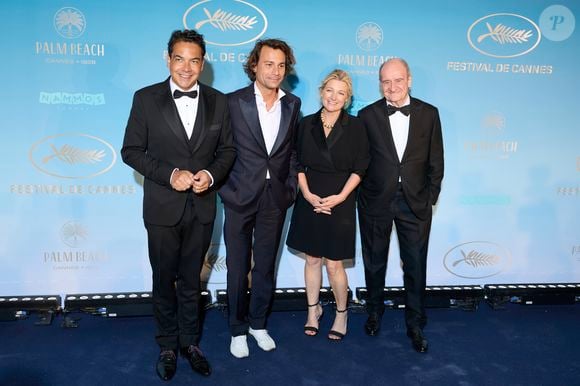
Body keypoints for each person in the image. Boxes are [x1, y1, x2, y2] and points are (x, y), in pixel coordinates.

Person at [121, 29, 235, 380]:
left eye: (194, 60)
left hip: (202, 207)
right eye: (179, 59)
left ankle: (190, 342)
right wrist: (169, 174)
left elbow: (228, 151)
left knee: (192, 280)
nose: (187, 67)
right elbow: (131, 151)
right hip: (162, 207)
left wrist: (210, 175)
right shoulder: (145, 99)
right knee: (163, 279)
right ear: (168, 58)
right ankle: (167, 344)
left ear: (203, 63)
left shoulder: (220, 101)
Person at [219, 39, 301, 358]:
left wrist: (290, 187)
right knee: (238, 267)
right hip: (239, 195)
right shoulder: (233, 102)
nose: (275, 71)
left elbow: (292, 151)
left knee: (266, 266)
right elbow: (221, 150)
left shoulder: (292, 104)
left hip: (275, 198)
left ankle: (258, 324)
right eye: (268, 64)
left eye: (281, 65)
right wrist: (226, 188)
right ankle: (237, 329)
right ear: (254, 65)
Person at [357, 58, 444, 353]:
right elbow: (361, 161)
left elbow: (436, 161)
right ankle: (374, 312)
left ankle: (415, 322)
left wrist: (429, 197)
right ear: (380, 83)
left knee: (416, 265)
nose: (392, 87)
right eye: (385, 82)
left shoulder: (429, 114)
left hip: (415, 203)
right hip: (375, 202)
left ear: (409, 79)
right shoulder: (366, 115)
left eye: (397, 80)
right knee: (374, 261)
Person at [286, 69, 369, 341]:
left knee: (334, 264)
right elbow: (296, 161)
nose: (334, 97)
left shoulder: (356, 126)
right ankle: (313, 310)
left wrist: (342, 196)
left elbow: (361, 166)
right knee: (312, 258)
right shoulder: (305, 123)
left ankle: (342, 313)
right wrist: (307, 194)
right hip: (309, 195)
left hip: (341, 199)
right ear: (321, 92)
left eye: (341, 93)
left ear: (348, 99)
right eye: (329, 91)